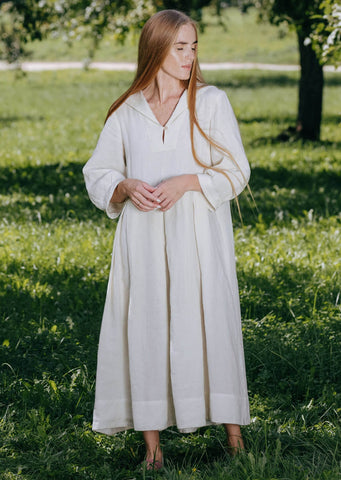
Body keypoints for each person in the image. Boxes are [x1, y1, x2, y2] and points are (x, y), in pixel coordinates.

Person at [83, 9, 251, 471]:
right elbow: (98, 172)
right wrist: (125, 186)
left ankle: (235, 441)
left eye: (194, 46)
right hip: (143, 242)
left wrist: (187, 181)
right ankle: (153, 451)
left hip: (198, 240)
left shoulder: (210, 102)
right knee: (147, 328)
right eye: (180, 47)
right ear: (155, 50)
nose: (190, 56)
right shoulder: (128, 110)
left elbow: (237, 169)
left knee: (209, 322)